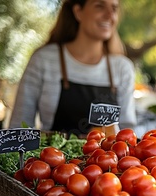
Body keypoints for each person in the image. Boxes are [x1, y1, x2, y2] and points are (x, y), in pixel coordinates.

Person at [10, 0, 136, 136]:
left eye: (114, 8)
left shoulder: (122, 68)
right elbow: (19, 127)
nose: (110, 15)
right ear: (78, 12)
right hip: (51, 156)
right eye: (100, 6)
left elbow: (127, 134)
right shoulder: (44, 60)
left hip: (106, 158)